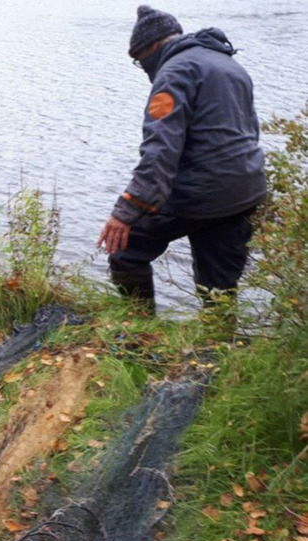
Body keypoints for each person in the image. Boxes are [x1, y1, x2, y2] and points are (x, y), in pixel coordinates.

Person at [96, 5, 266, 312]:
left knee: (127, 249)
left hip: (202, 190)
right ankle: (218, 350)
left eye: (139, 61)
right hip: (245, 190)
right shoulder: (229, 65)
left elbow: (160, 149)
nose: (144, 68)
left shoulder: (174, 72)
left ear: (151, 48)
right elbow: (249, 131)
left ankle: (140, 329)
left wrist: (126, 210)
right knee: (219, 285)